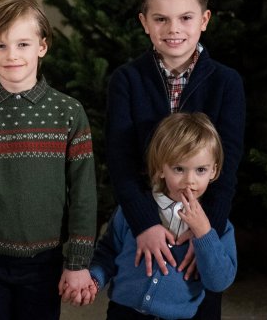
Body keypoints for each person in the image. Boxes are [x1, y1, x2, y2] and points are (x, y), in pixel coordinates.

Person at [106, 0, 245, 320]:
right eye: (161, 19)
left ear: (204, 20)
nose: (174, 29)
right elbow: (120, 162)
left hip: (202, 226)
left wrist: (207, 234)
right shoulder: (126, 80)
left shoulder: (226, 83)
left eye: (185, 17)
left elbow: (226, 169)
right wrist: (144, 224)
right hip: (146, 221)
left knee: (200, 303)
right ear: (144, 22)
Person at [0, 0, 97, 317]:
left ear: (42, 46)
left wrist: (78, 262)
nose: (12, 55)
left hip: (46, 261)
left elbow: (83, 193)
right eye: (0, 45)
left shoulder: (69, 112)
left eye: (23, 44)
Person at [89, 113, 237, 319]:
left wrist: (204, 234)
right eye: (179, 169)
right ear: (160, 168)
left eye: (201, 170)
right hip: (123, 312)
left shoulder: (220, 226)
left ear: (214, 171)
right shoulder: (135, 210)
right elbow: (108, 251)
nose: (190, 180)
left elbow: (219, 282)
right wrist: (94, 279)